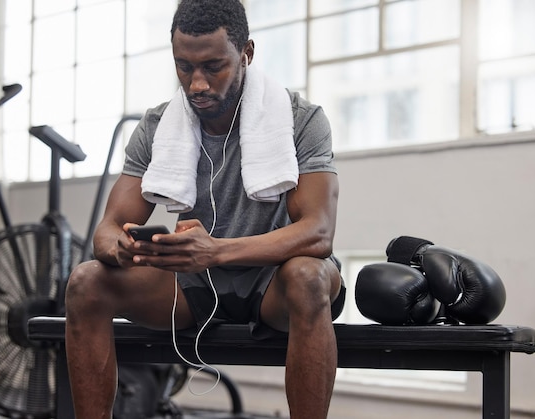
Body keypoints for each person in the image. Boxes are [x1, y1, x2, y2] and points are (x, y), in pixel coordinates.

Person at [64, 0, 345, 418]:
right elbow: (106, 230)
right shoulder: (158, 127)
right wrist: (122, 249)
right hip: (193, 285)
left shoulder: (301, 119)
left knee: (309, 275)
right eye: (184, 67)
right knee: (85, 282)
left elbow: (318, 233)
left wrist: (215, 250)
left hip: (275, 286)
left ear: (246, 53)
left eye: (213, 67)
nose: (196, 84)